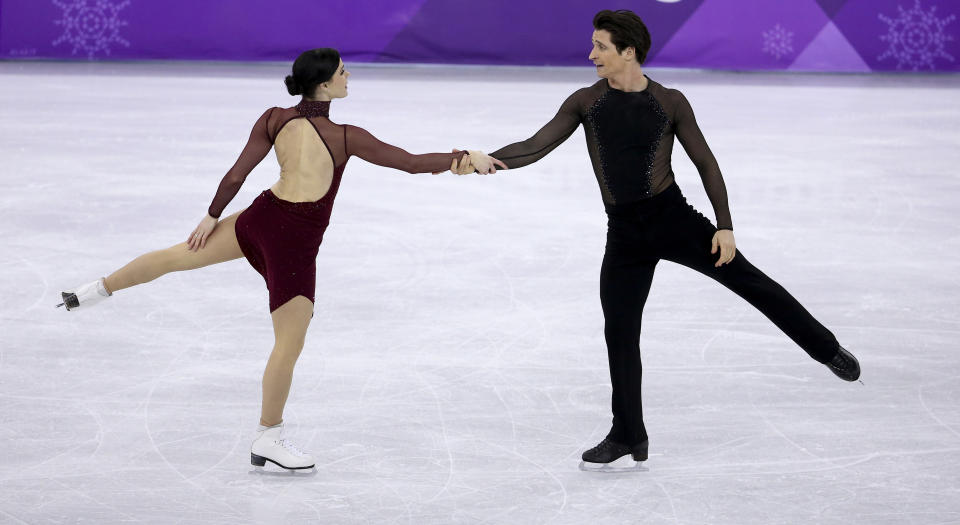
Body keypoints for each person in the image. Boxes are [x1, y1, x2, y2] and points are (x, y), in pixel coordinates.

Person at [57, 48, 503, 471]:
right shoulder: (345, 137)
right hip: (293, 244)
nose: (349, 77)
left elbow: (237, 173)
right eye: (343, 72)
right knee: (289, 344)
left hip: (258, 218)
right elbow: (407, 163)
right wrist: (462, 159)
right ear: (325, 87)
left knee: (177, 256)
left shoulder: (274, 118)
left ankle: (93, 291)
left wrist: (212, 216)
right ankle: (267, 437)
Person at [469, 10, 861, 472]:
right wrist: (490, 159)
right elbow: (537, 144)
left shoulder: (669, 101)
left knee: (752, 283)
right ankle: (628, 434)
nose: (591, 54)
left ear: (628, 51)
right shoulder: (585, 102)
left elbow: (706, 163)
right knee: (619, 331)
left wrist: (724, 225)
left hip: (674, 220)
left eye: (601, 46)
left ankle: (826, 349)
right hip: (625, 236)